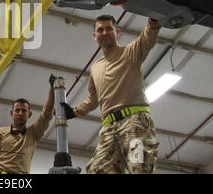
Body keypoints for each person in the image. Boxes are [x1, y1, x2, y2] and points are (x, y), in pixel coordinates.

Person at [62, 15, 161, 174]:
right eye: (100, 30)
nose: (104, 32)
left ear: (117, 32)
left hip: (135, 122)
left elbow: (147, 39)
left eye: (109, 28)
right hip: (108, 127)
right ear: (95, 36)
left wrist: (153, 21)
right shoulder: (95, 68)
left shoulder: (131, 53)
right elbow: (93, 100)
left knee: (139, 168)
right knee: (96, 170)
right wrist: (73, 111)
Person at [0, 75, 55, 174]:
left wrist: (52, 88)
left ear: (29, 114)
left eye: (24, 111)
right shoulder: (0, 131)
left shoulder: (34, 132)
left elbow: (47, 113)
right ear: (12, 113)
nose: (20, 113)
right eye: (17, 110)